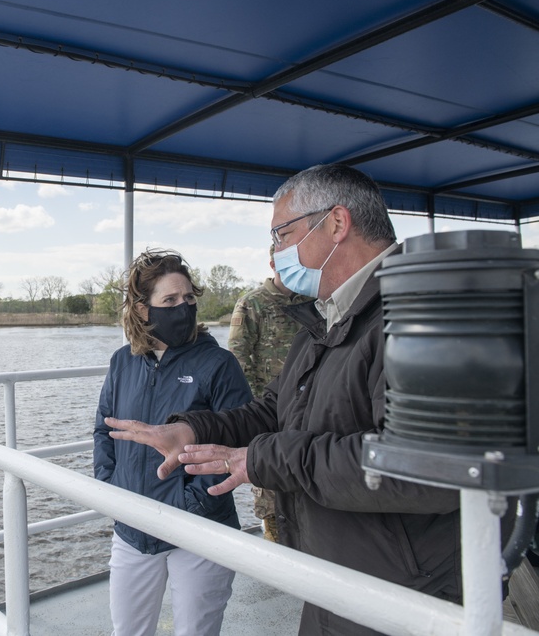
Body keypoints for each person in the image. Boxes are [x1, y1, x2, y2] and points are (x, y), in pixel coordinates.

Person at [106, 164, 463, 636]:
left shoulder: (418, 314)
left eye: (282, 234)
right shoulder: (326, 321)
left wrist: (262, 458)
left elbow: (417, 466)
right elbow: (271, 412)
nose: (277, 252)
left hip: (403, 591)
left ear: (336, 224)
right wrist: (194, 429)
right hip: (337, 576)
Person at [93, 248, 252, 636]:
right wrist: (112, 489)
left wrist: (190, 503)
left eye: (189, 299)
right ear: (144, 310)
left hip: (200, 529)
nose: (183, 308)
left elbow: (240, 438)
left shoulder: (218, 364)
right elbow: (104, 430)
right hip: (132, 527)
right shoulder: (123, 362)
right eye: (170, 300)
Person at [227, 245, 312, 542]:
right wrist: (255, 410)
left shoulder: (311, 302)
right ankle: (277, 549)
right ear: (273, 263)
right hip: (269, 412)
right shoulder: (253, 303)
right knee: (272, 496)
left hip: (306, 413)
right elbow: (238, 360)